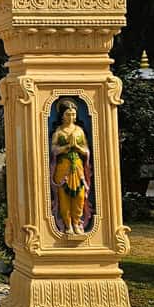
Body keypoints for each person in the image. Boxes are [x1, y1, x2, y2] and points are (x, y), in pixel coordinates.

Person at [50, 99, 91, 236]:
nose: (71, 117)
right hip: (63, 168)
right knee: (64, 197)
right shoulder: (59, 132)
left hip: (78, 169)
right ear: (62, 115)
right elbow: (53, 150)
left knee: (79, 197)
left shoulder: (79, 131)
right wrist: (67, 147)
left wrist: (78, 147)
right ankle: (67, 224)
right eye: (68, 114)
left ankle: (77, 222)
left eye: (73, 114)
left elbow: (86, 150)